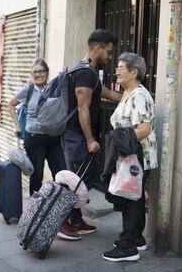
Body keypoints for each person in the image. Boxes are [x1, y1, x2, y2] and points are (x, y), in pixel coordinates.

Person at [57, 29, 122, 240]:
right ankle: (63, 223)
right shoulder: (85, 73)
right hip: (77, 137)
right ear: (97, 48)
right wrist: (90, 140)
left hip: (77, 136)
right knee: (76, 182)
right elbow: (83, 108)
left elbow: (107, 93)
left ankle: (76, 221)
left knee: (82, 179)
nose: (110, 57)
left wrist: (131, 96)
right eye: (109, 52)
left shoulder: (88, 72)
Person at [102, 52, 158, 262]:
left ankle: (127, 248)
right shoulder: (128, 93)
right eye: (117, 67)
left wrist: (121, 142)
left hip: (135, 155)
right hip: (129, 154)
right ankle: (136, 239)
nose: (116, 70)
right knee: (132, 196)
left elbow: (144, 128)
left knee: (132, 199)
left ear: (134, 72)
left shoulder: (139, 96)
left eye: (121, 67)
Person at [8, 58, 66, 195]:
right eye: (35, 72)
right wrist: (17, 125)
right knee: (36, 175)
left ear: (47, 72)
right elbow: (10, 104)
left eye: (41, 71)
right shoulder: (28, 89)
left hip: (53, 138)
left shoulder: (54, 88)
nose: (38, 75)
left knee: (61, 173)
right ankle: (35, 212)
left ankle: (59, 209)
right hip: (34, 138)